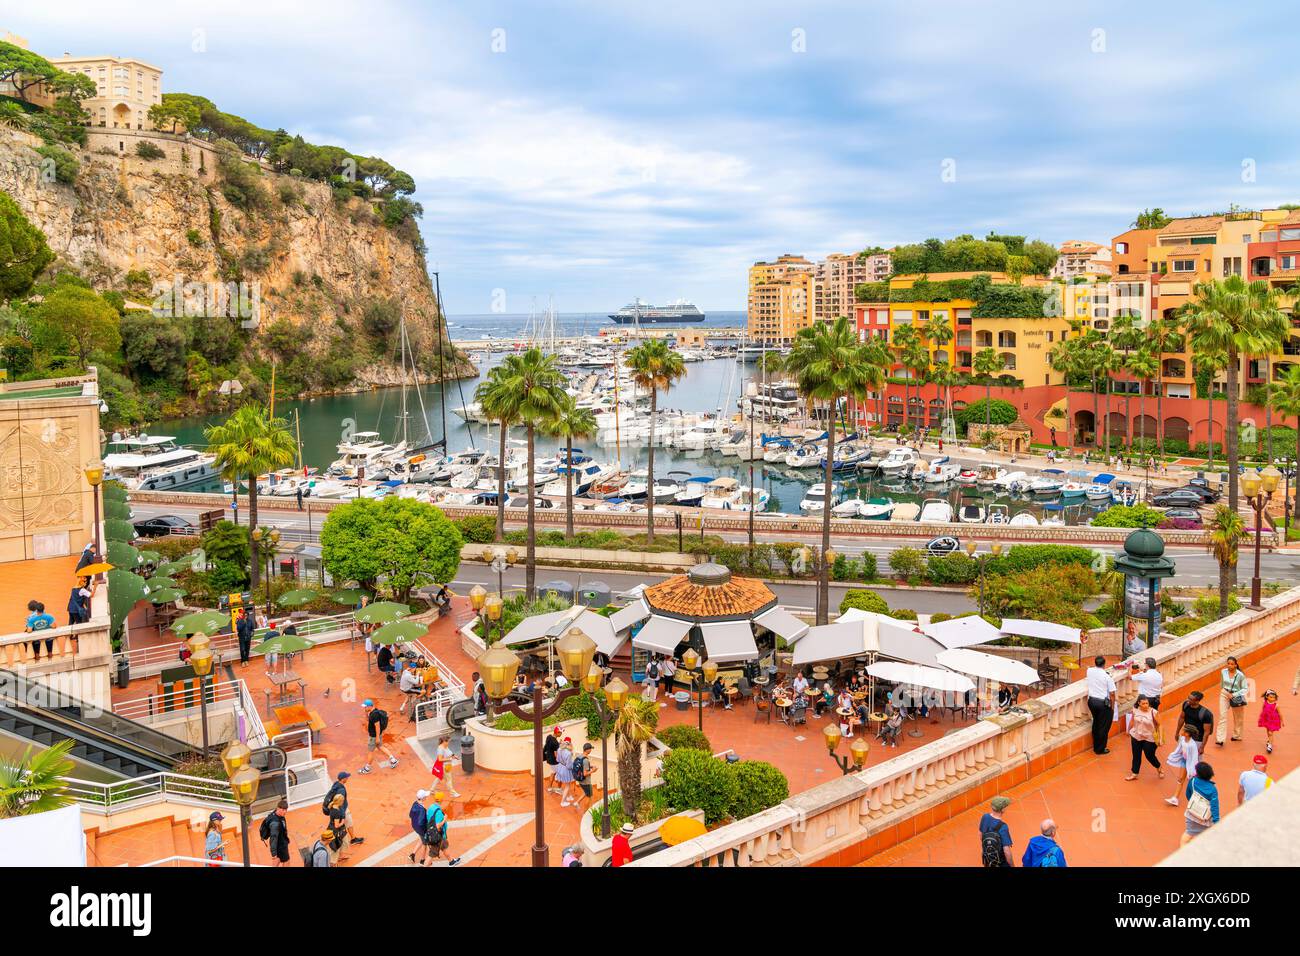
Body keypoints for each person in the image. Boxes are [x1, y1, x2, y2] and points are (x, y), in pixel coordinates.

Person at [1124, 695, 1164, 781]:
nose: (1146, 705)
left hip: (1149, 737)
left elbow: (1160, 725)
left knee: (1149, 755)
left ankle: (1159, 767)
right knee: (1136, 755)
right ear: (1139, 703)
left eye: (1147, 703)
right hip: (1136, 735)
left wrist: (1160, 739)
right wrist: (1128, 730)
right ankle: (1134, 773)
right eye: (1143, 703)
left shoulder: (1154, 712)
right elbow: (1132, 721)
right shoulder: (1135, 710)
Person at [1181, 762, 1220, 845]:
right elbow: (1214, 806)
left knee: (1188, 833)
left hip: (1192, 814)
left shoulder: (1192, 781)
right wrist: (1216, 821)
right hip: (1205, 819)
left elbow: (1188, 795)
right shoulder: (1213, 789)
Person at [1085, 656, 1117, 755]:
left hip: (1091, 702)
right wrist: (1112, 706)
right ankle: (1099, 749)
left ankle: (1096, 744)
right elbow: (1112, 693)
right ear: (1104, 664)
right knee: (1104, 726)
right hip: (1102, 704)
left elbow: (1089, 668)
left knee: (1096, 722)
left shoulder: (1089, 671)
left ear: (1095, 663)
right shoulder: (1107, 677)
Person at [321, 771, 363, 845]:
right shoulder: (341, 790)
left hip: (334, 808)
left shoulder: (336, 784)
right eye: (346, 777)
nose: (347, 778)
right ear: (343, 779)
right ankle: (352, 839)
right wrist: (342, 815)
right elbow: (341, 803)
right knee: (348, 823)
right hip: (341, 810)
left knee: (336, 826)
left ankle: (352, 838)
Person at [1164, 724, 1201, 807]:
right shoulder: (1183, 739)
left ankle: (1195, 799)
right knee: (1180, 779)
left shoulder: (1192, 745)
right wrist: (1174, 755)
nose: (1181, 731)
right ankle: (1175, 798)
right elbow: (1179, 748)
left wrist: (1192, 769)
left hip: (1190, 763)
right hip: (1184, 761)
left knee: (1190, 780)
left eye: (1183, 730)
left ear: (1187, 733)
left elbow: (1194, 758)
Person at [1214, 656, 1248, 746]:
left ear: (1236, 665)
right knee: (1222, 716)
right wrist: (1225, 691)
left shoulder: (1240, 675)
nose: (1229, 665)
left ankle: (1237, 735)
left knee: (1238, 717)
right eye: (1228, 663)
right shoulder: (1223, 672)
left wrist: (1233, 694)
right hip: (1224, 694)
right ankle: (1220, 739)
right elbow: (1222, 683)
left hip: (1236, 696)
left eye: (1232, 664)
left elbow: (1245, 689)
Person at [360, 699, 399, 773]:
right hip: (377, 735)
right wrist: (366, 713)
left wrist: (377, 737)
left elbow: (377, 726)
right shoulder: (374, 712)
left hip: (374, 736)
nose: (364, 708)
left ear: (369, 706)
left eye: (365, 707)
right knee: (380, 746)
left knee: (370, 751)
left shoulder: (374, 715)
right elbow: (368, 720)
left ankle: (367, 768)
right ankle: (393, 760)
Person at [424, 792, 461, 866]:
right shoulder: (438, 812)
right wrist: (444, 819)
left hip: (436, 834)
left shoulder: (431, 807)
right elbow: (437, 826)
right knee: (432, 854)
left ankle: (451, 861)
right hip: (437, 836)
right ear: (441, 800)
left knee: (444, 847)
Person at [978, 796, 1014, 867]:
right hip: (1000, 861)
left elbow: (980, 834)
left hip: (988, 856)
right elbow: (1006, 850)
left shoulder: (985, 817)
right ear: (1003, 810)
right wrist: (1012, 865)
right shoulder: (1003, 827)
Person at [261, 798, 291, 867]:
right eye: (283, 810)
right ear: (278, 808)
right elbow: (273, 838)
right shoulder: (275, 824)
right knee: (287, 861)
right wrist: (273, 853)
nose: (285, 812)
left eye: (286, 810)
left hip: (281, 843)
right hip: (281, 845)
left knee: (278, 859)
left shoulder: (275, 814)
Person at [324, 793, 350, 864]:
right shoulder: (336, 812)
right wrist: (343, 821)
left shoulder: (333, 806)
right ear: (340, 802)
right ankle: (332, 863)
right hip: (336, 831)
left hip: (336, 829)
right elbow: (336, 825)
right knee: (336, 847)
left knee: (345, 842)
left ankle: (341, 856)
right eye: (343, 801)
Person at [408, 789, 431, 866]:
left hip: (415, 826)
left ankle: (412, 855)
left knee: (421, 840)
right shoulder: (422, 809)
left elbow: (410, 815)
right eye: (425, 796)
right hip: (422, 830)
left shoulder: (415, 803)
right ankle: (422, 860)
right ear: (423, 798)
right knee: (424, 845)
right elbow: (421, 822)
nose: (426, 798)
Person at [570, 742, 595, 813]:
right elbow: (585, 774)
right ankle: (585, 812)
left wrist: (590, 767)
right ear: (587, 750)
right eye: (590, 749)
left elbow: (582, 767)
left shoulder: (579, 756)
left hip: (579, 780)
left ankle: (576, 802)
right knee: (589, 796)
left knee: (585, 792)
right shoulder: (586, 760)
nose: (591, 750)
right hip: (586, 781)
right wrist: (593, 770)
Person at [1258, 688, 1283, 754]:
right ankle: (1269, 741)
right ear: (1267, 697)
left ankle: (1270, 746)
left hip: (1273, 720)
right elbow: (1263, 709)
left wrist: (1282, 721)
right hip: (1266, 719)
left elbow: (1280, 714)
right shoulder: (1265, 702)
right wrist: (1260, 716)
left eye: (1274, 698)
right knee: (1267, 731)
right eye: (1271, 697)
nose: (1273, 699)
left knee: (1270, 733)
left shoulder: (1276, 705)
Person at [555, 737, 575, 806]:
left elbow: (557, 760)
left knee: (567, 784)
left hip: (560, 767)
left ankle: (569, 796)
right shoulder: (569, 753)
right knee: (567, 786)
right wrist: (573, 766)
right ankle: (563, 802)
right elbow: (569, 766)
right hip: (565, 770)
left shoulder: (559, 749)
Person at [543, 726, 562, 794]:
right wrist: (562, 761)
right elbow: (556, 755)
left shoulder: (549, 737)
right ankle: (559, 789)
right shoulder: (555, 743)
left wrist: (558, 744)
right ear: (557, 732)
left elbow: (550, 746)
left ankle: (549, 788)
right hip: (555, 761)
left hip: (549, 759)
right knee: (560, 775)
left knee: (553, 773)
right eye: (560, 732)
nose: (561, 734)